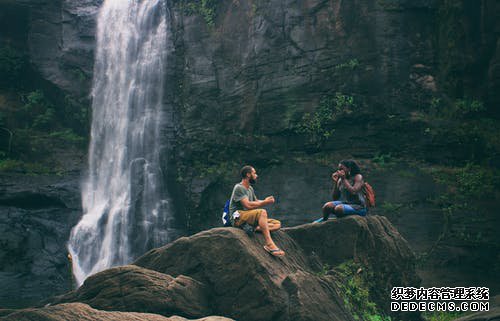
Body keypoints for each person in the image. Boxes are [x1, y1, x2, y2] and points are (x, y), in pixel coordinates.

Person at [229, 165, 284, 257]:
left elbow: (256, 201)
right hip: (237, 217)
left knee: (277, 224)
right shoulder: (239, 188)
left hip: (248, 217)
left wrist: (266, 200)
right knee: (262, 212)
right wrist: (265, 203)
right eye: (254, 173)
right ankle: (269, 244)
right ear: (248, 174)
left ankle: (252, 228)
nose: (256, 175)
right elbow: (248, 205)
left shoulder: (250, 188)